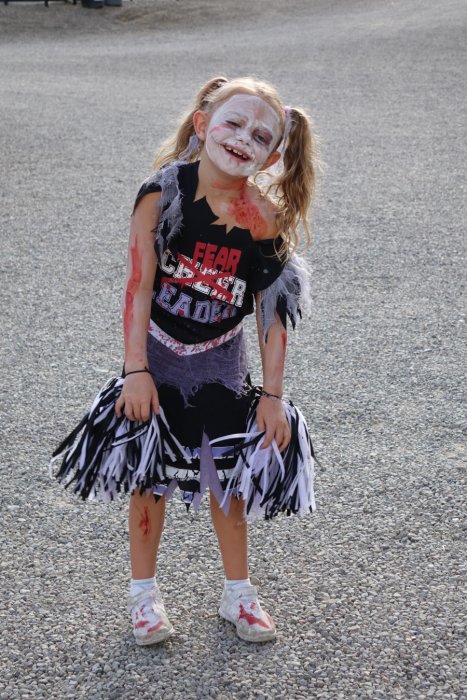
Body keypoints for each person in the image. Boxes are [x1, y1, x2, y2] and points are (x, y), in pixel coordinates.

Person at [52, 76, 319, 646]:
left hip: (221, 368)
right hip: (157, 364)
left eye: (261, 135)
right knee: (148, 484)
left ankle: (238, 595)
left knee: (228, 485)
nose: (244, 138)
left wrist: (272, 398)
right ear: (202, 124)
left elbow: (271, 315)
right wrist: (135, 370)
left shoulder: (265, 221)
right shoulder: (163, 194)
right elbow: (138, 285)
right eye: (233, 123)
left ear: (274, 154)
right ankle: (143, 597)